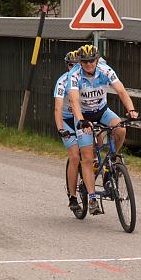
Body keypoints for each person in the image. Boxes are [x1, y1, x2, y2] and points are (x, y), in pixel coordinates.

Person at [68, 44, 139, 215]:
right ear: (80, 62)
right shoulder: (74, 75)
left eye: (92, 61)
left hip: (102, 111)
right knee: (87, 156)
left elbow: (121, 90)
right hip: (83, 116)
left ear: (97, 60)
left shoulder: (105, 70)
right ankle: (92, 198)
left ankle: (112, 163)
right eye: (85, 62)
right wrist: (82, 121)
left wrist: (131, 109)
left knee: (120, 129)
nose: (89, 64)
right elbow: (75, 102)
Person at [54, 50, 82, 212]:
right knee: (75, 156)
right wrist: (60, 129)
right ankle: (73, 197)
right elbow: (57, 108)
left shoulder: (84, 79)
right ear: (67, 67)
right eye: (72, 64)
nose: (75, 67)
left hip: (82, 118)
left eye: (78, 64)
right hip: (67, 120)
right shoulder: (62, 82)